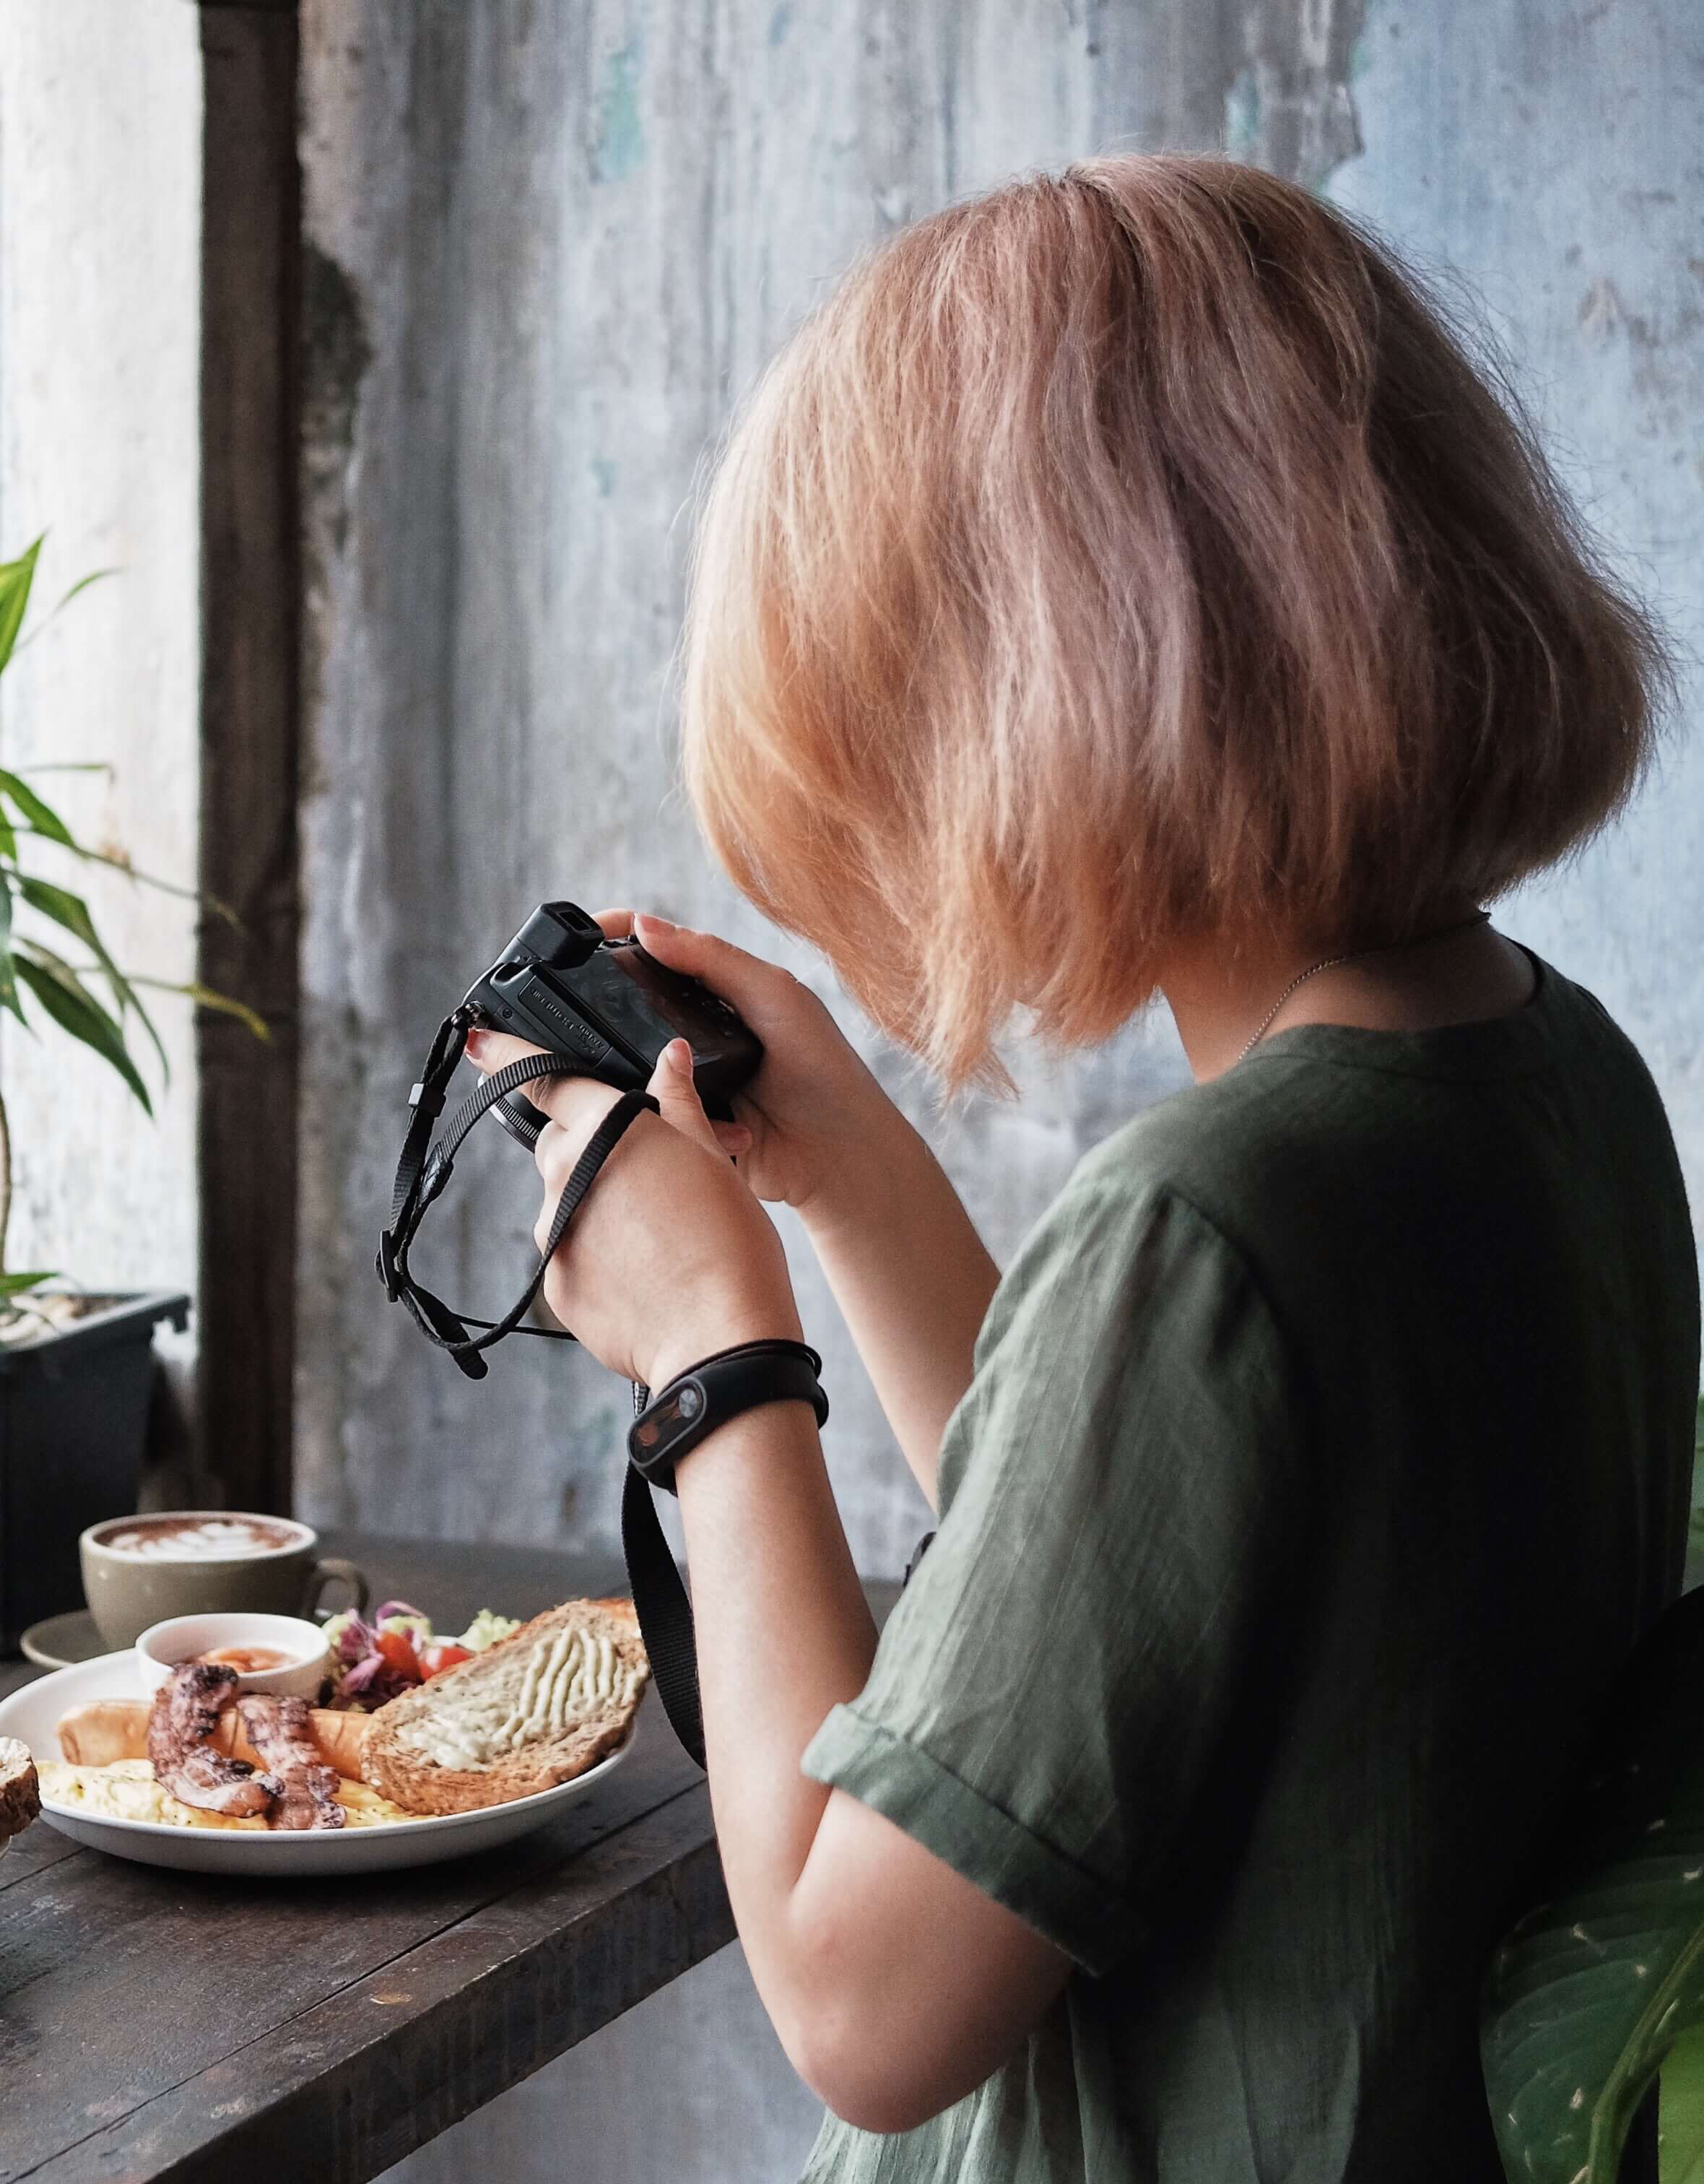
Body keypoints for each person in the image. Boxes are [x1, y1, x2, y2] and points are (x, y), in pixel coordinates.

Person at [466, 156, 1698, 2181]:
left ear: (1035, 711)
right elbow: (1130, 1604)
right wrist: (851, 1176)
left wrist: (714, 1370)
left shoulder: (1209, 1220)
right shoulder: (1550, 1075)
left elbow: (863, 2009)